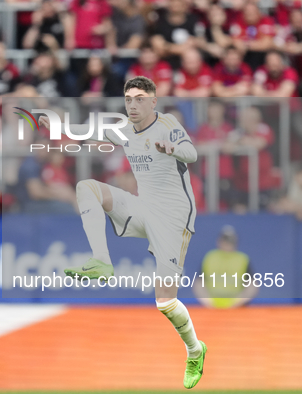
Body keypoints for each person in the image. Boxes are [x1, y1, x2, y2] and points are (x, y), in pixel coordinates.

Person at [39, 76, 206, 389]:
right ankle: (101, 260)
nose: (133, 104)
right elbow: (83, 132)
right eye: (129, 99)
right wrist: (54, 119)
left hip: (174, 219)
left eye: (140, 98)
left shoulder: (168, 123)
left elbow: (192, 154)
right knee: (86, 188)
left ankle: (195, 350)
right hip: (145, 209)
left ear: (153, 101)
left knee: (165, 303)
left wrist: (173, 148)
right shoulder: (123, 129)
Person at [193, 225, 258, 309]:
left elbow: (252, 285)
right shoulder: (210, 257)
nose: (227, 244)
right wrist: (208, 302)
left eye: (231, 241)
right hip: (211, 306)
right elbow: (199, 283)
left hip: (236, 307)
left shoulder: (242, 259)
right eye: (225, 241)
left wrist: (238, 302)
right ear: (219, 241)